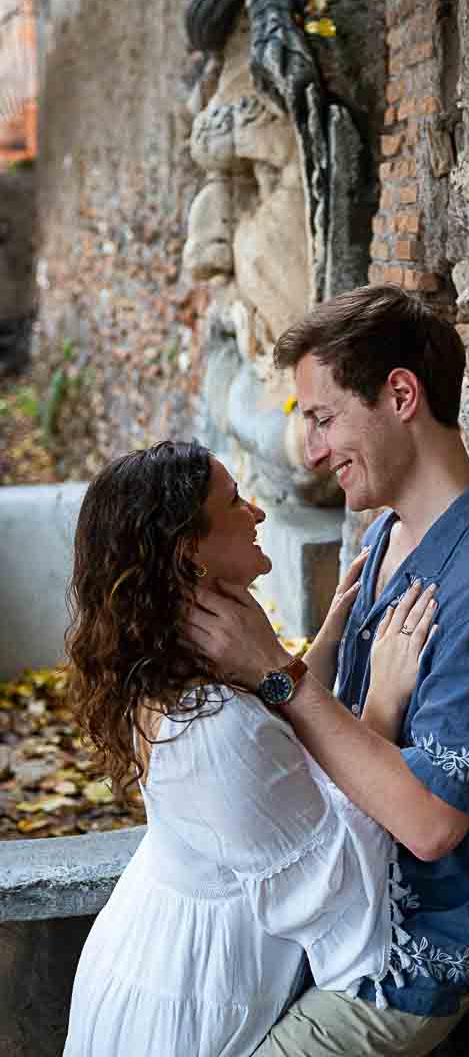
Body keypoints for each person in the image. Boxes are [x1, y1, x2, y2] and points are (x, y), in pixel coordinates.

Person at [186, 285, 469, 1057]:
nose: (314, 452)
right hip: (337, 910)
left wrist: (280, 676)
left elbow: (430, 825)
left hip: (405, 958)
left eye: (324, 419)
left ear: (401, 394)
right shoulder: (390, 533)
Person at [62, 439, 435, 1057]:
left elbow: (275, 735)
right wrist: (383, 708)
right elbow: (333, 881)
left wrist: (330, 636)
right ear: (191, 552)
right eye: (235, 502)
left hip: (148, 946)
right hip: (185, 1002)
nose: (258, 513)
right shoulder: (205, 729)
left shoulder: (174, 659)